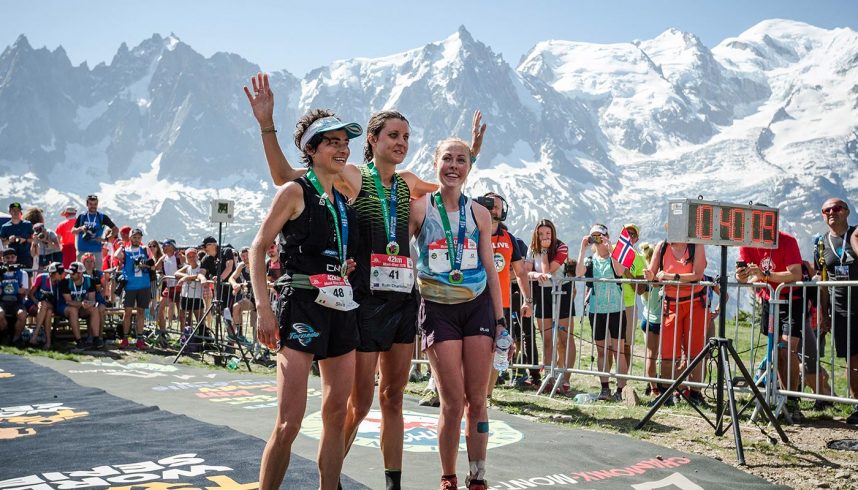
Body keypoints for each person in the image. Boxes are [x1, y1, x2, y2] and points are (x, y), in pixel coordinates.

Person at [245, 72, 486, 489]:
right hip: (352, 303)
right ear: (373, 141)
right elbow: (286, 173)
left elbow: (450, 182)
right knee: (342, 408)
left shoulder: (409, 183)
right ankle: (326, 479)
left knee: (382, 400)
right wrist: (267, 125)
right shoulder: (352, 176)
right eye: (393, 134)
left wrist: (469, 154)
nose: (401, 142)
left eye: (407, 136)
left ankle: (373, 483)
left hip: (390, 302)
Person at [249, 109, 362, 490]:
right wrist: (263, 308)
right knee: (289, 422)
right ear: (311, 150)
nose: (343, 149)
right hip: (299, 304)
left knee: (335, 414)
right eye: (333, 142)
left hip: (340, 309)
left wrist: (341, 268)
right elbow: (258, 246)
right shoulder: (295, 190)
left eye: (346, 143)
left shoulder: (344, 199)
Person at [409, 137, 503, 490]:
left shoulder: (479, 213)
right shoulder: (420, 209)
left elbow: (490, 269)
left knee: (478, 399)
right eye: (446, 158)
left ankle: (477, 475)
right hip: (437, 310)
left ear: (469, 167)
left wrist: (500, 318)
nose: (453, 165)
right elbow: (403, 254)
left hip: (476, 306)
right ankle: (448, 476)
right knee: (452, 400)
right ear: (435, 163)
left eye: (460, 160)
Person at [736, 225, 805, 421]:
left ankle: (792, 400)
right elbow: (745, 274)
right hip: (769, 301)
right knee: (776, 352)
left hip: (793, 300)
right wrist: (740, 276)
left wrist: (765, 276)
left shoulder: (787, 240)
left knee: (786, 350)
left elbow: (795, 274)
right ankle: (783, 397)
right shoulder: (748, 244)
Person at [645, 238, 707, 406]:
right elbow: (653, 276)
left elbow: (697, 275)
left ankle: (695, 393)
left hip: (694, 303)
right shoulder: (662, 246)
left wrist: (671, 276)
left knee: (694, 350)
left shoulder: (696, 244)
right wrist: (650, 276)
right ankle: (666, 394)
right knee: (667, 351)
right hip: (671, 303)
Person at [483, 193, 531, 398]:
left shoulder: (510, 239)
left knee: (498, 350)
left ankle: (487, 395)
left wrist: (527, 300)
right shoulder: (473, 233)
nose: (494, 210)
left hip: (501, 303)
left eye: (497, 206)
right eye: (490, 205)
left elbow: (520, 272)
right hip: (474, 300)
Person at [816, 198, 858, 424]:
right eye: (827, 210)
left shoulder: (855, 233)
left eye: (837, 208)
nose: (832, 212)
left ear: (847, 212)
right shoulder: (821, 243)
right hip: (841, 309)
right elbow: (823, 280)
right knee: (851, 359)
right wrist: (824, 313)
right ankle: (857, 403)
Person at [576, 224, 629, 401]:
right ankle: (604, 388)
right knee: (602, 351)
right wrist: (582, 249)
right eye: (594, 237)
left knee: (618, 350)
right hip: (597, 309)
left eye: (600, 236)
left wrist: (611, 250)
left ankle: (621, 390)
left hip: (616, 309)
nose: (597, 240)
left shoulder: (614, 256)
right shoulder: (590, 260)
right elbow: (578, 273)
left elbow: (620, 271)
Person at [526, 219, 575, 395]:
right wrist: (535, 274)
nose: (544, 237)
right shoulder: (532, 248)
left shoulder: (562, 247)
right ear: (536, 235)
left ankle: (565, 378)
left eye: (548, 233)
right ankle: (548, 376)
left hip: (562, 291)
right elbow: (528, 271)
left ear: (553, 233)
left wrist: (545, 251)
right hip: (543, 293)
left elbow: (548, 271)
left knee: (564, 339)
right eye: (541, 234)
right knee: (547, 339)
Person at [114, 228, 153, 350]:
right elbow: (116, 256)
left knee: (141, 313)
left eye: (138, 237)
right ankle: (125, 338)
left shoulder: (145, 250)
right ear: (130, 238)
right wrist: (122, 245)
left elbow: (153, 265)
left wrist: (144, 265)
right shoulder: (126, 250)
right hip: (130, 286)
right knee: (127, 313)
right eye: (134, 237)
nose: (136, 239)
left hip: (143, 285)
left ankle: (140, 339)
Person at [637, 242, 663, 397]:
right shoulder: (657, 277)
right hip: (657, 320)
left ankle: (653, 387)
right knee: (659, 356)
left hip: (646, 318)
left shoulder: (646, 275)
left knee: (650, 356)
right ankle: (657, 388)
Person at [620, 223, 647, 369]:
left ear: (636, 239)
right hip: (609, 304)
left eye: (633, 234)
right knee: (609, 344)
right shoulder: (611, 250)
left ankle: (622, 382)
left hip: (628, 305)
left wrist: (627, 272)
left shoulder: (638, 258)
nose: (629, 236)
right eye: (626, 233)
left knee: (625, 345)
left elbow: (641, 290)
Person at [58, 261, 102, 349]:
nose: (71, 275)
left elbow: (92, 299)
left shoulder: (89, 281)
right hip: (65, 306)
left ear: (80, 273)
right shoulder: (65, 282)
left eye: (73, 273)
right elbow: (68, 302)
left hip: (81, 306)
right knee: (73, 310)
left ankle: (96, 338)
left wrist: (89, 304)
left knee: (94, 309)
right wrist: (82, 304)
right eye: (70, 272)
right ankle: (79, 340)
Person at [72, 195, 118, 267]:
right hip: (82, 251)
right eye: (91, 204)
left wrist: (105, 239)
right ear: (87, 204)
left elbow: (115, 229)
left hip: (96, 250)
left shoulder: (102, 217)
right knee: (80, 274)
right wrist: (81, 228)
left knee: (98, 275)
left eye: (95, 204)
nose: (93, 206)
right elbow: (73, 231)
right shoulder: (82, 216)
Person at [27, 261, 64, 350]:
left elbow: (57, 301)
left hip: (50, 305)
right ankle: (48, 341)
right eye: (60, 272)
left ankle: (35, 335)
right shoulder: (41, 277)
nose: (62, 274)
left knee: (46, 306)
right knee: (46, 309)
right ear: (53, 273)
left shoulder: (60, 283)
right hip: (35, 304)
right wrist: (37, 302)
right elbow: (30, 294)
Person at [0, 248, 30, 346]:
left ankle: (16, 338)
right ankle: (5, 334)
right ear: (3, 259)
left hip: (17, 302)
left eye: (12, 257)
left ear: (16, 258)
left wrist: (20, 291)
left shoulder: (22, 273)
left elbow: (25, 292)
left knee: (22, 314)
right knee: (0, 314)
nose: (10, 260)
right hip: (2, 302)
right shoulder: (0, 272)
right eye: (7, 257)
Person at [156, 239, 183, 346]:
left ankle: (183, 335)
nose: (163, 247)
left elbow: (185, 268)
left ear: (172, 246)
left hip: (179, 287)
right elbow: (156, 267)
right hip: (168, 286)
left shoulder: (178, 257)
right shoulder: (163, 258)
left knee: (181, 312)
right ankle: (163, 331)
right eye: (162, 246)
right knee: (160, 309)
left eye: (165, 245)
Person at [174, 247, 206, 332]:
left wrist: (187, 278)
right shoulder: (187, 267)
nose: (192, 258)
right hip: (185, 296)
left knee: (200, 319)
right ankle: (183, 337)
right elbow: (176, 273)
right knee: (183, 318)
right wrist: (186, 277)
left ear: (197, 256)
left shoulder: (201, 267)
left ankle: (203, 338)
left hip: (197, 297)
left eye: (193, 256)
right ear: (186, 258)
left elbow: (199, 276)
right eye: (189, 256)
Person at [228, 247, 255, 344]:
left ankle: (260, 348)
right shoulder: (241, 266)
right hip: (249, 297)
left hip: (259, 298)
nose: (244, 258)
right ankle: (240, 335)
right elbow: (231, 277)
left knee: (255, 326)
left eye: (246, 256)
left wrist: (243, 285)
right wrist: (235, 285)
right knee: (236, 307)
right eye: (242, 256)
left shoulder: (257, 264)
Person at [0, 202, 34, 269]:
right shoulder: (5, 227)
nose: (16, 212)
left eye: (18, 210)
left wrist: (25, 240)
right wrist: (9, 241)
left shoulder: (27, 224)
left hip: (26, 256)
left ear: (20, 212)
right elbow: (2, 243)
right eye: (13, 210)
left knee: (27, 276)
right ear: (10, 212)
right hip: (10, 258)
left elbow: (34, 239)